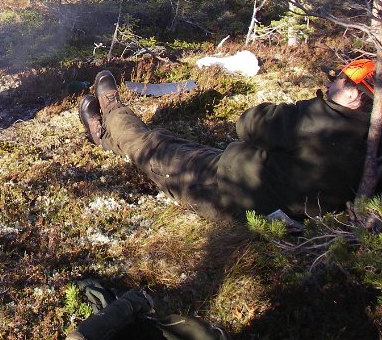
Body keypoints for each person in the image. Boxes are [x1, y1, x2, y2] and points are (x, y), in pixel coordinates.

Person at [77, 59, 374, 221]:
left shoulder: (320, 120)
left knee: (150, 146)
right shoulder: (374, 145)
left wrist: (304, 109)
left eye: (339, 79)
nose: (329, 81)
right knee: (167, 140)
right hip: (248, 179)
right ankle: (103, 136)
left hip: (226, 188)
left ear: (353, 95)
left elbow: (248, 124)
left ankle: (112, 109)